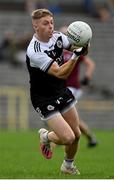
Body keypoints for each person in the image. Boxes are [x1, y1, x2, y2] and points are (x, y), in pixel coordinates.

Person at [26, 8, 89, 175]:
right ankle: (46, 136)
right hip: (43, 98)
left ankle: (67, 166)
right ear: (36, 26)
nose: (50, 26)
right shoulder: (35, 51)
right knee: (67, 137)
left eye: (52, 22)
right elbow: (61, 72)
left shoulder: (58, 38)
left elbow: (80, 48)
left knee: (76, 135)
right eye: (45, 23)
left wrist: (84, 42)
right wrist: (76, 56)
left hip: (61, 91)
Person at [59, 26, 97, 147]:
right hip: (62, 88)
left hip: (72, 87)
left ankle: (59, 140)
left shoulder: (75, 50)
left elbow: (90, 64)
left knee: (65, 115)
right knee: (66, 116)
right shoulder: (58, 50)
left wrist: (87, 77)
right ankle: (90, 137)